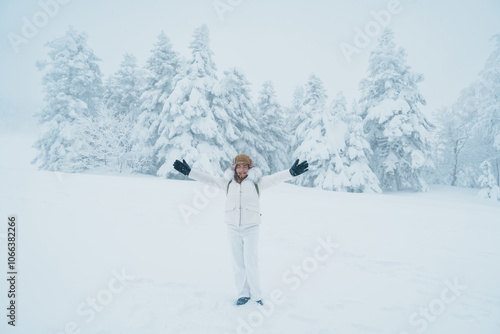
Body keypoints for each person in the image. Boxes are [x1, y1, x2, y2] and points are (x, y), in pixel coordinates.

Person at [173, 154, 309, 306]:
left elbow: (275, 178)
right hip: (232, 227)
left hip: (251, 227)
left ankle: (256, 296)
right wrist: (189, 172)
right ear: (234, 167)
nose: (242, 169)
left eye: (245, 166)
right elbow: (208, 179)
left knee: (251, 262)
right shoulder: (227, 183)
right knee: (238, 263)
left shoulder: (257, 183)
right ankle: (243, 294)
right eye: (239, 166)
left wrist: (291, 173)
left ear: (250, 167)